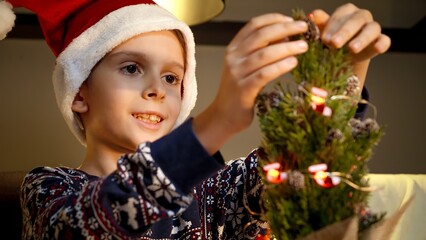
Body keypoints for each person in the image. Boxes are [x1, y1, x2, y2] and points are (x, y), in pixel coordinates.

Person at [0, 0, 390, 239]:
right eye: (132, 68)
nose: (158, 89)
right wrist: (216, 120)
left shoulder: (214, 195)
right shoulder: (48, 189)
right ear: (80, 92)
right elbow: (88, 226)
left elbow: (301, 163)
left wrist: (347, 64)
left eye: (172, 77)